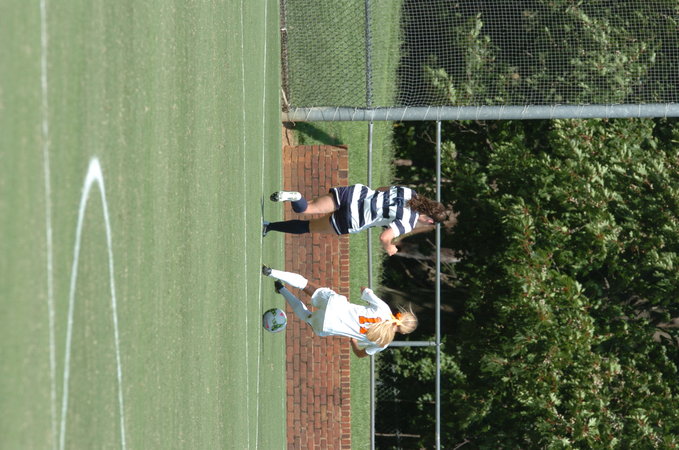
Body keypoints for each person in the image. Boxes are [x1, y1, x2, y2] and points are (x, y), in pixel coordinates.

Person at [262, 265, 418, 357]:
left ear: (400, 314)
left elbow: (364, 290)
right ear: (403, 332)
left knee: (306, 285)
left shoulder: (384, 309)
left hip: (335, 304)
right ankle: (281, 289)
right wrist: (354, 342)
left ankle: (271, 272)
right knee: (307, 316)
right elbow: (360, 354)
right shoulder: (383, 342)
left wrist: (367, 294)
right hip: (330, 325)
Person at [263, 184, 447, 255]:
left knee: (307, 208)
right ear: (430, 221)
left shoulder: (409, 192)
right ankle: (268, 226)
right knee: (309, 226)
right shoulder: (408, 222)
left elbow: (382, 189)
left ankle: (296, 197)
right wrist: (389, 247)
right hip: (353, 219)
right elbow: (384, 237)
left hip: (355, 194)